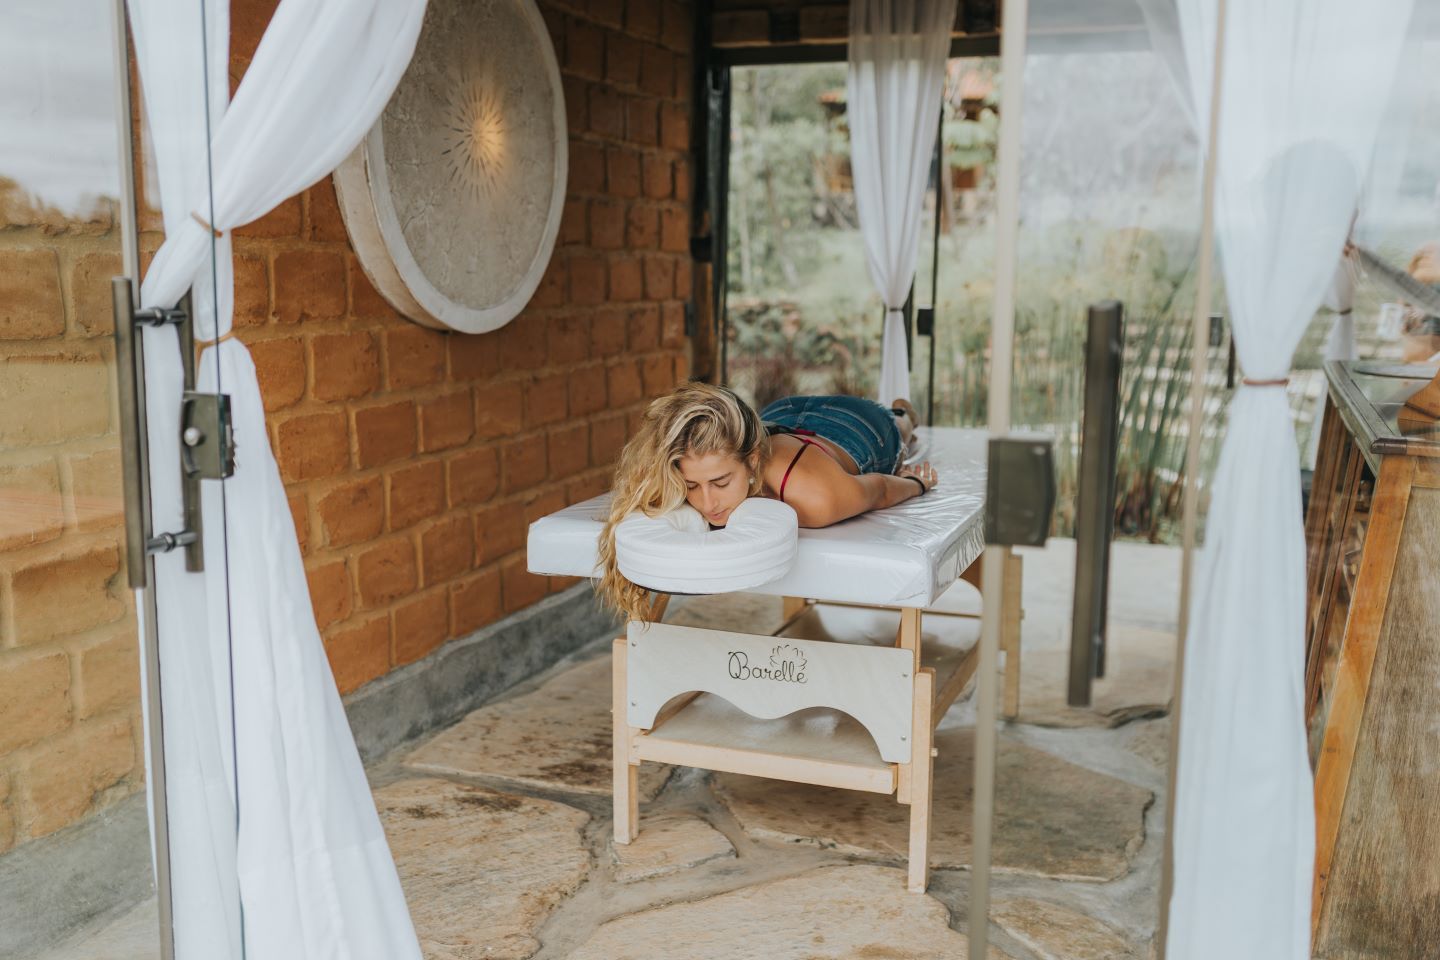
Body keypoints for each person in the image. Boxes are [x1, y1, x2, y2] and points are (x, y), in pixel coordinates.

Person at [598, 383, 938, 621]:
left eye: (720, 482)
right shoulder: (713, 452)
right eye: (691, 485)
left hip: (856, 426)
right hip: (783, 411)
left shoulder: (815, 496)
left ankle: (902, 411)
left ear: (753, 461)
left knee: (901, 430)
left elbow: (877, 489)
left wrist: (915, 483)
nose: (707, 502)